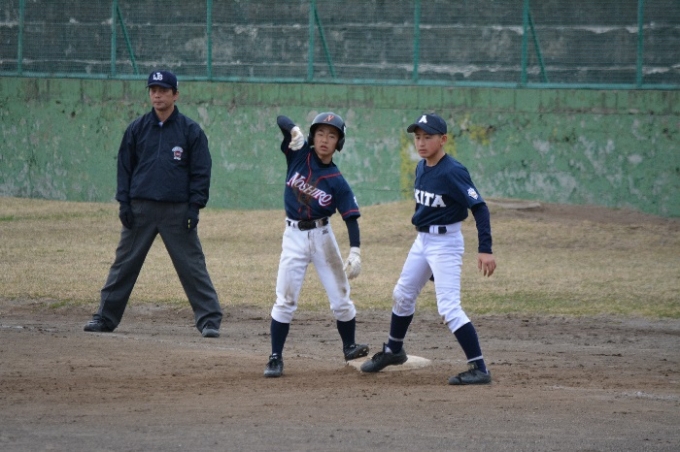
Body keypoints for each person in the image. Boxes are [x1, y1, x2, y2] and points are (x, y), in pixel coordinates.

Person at [83, 70, 223, 338]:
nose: (157, 95)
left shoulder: (190, 131)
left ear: (175, 94)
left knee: (192, 266)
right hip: (141, 210)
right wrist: (124, 204)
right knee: (124, 265)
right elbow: (125, 168)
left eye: (163, 90)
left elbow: (201, 171)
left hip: (177, 211)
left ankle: (209, 320)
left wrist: (194, 207)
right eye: (153, 90)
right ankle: (104, 317)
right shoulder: (137, 129)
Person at [360, 113, 496, 385]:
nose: (421, 143)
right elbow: (424, 209)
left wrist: (485, 248)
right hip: (423, 241)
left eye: (428, 137)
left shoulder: (453, 171)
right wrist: (428, 265)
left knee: (449, 308)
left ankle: (479, 368)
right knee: (402, 294)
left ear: (443, 139)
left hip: (446, 243)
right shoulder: (421, 167)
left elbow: (479, 207)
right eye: (418, 137)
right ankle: (394, 350)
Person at [264, 112, 369, 378]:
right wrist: (294, 130)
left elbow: (351, 218)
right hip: (293, 236)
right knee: (285, 299)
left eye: (331, 135)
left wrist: (355, 252)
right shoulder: (298, 154)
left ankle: (349, 346)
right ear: (313, 136)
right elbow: (281, 118)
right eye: (320, 133)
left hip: (323, 237)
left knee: (341, 298)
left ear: (338, 143)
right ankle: (275, 357)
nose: (324, 139)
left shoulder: (337, 180)